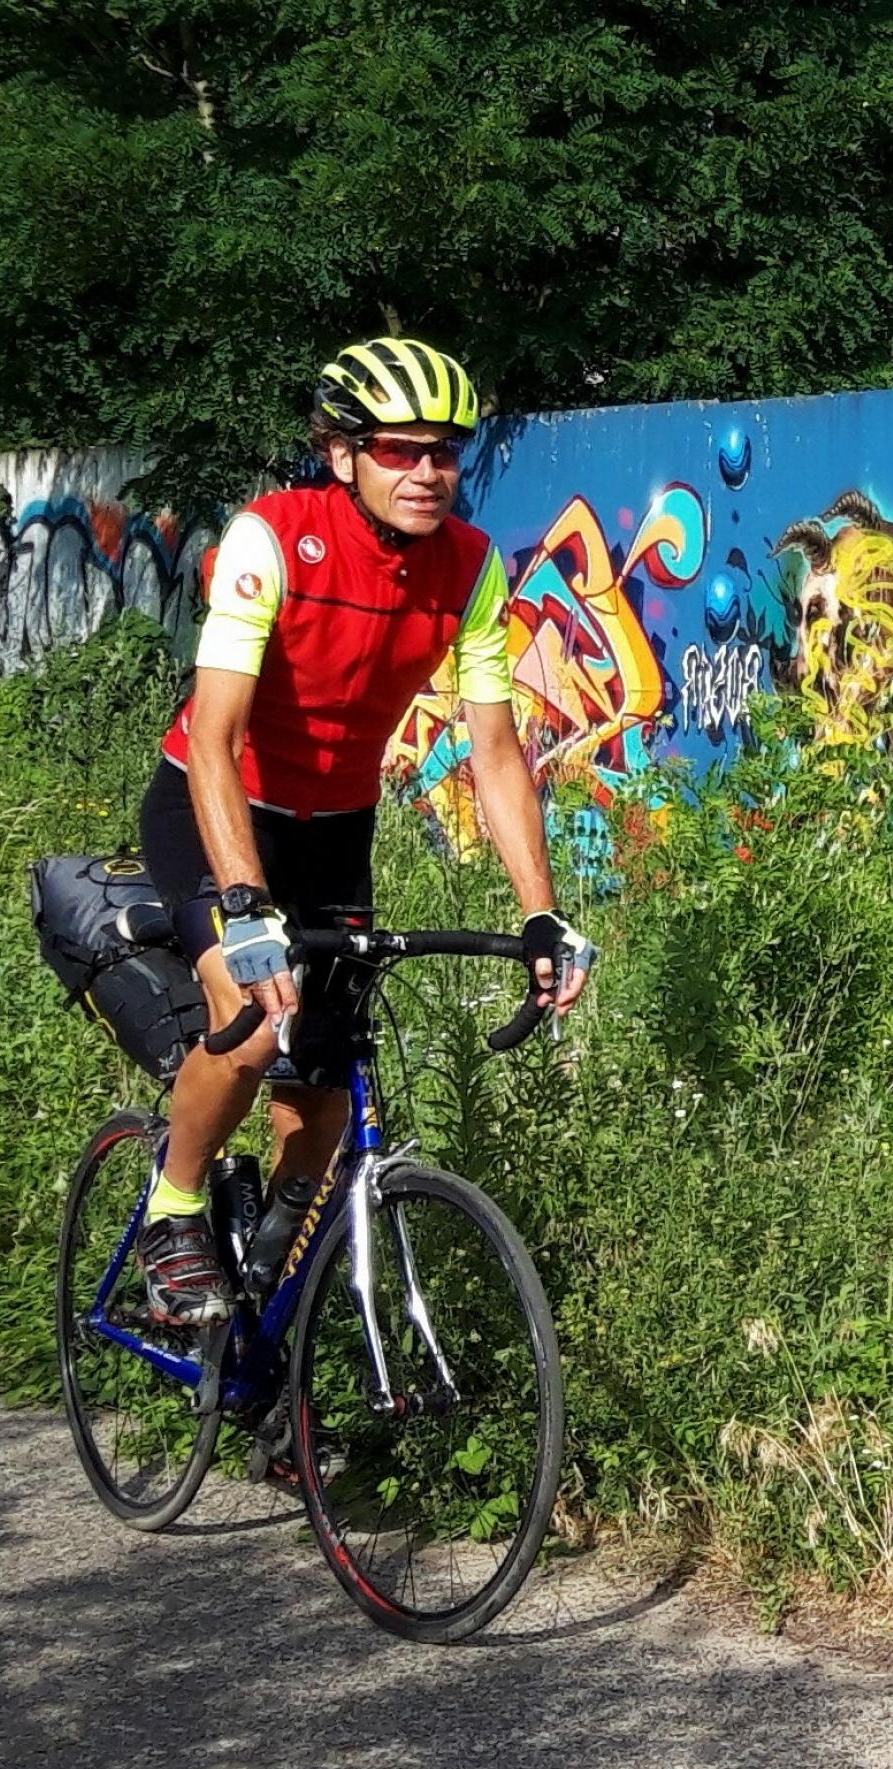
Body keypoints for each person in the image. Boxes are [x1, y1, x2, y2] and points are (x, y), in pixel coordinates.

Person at [132, 336, 591, 1323]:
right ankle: (171, 1211)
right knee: (250, 1023)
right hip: (214, 804)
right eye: (398, 449)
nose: (426, 472)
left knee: (327, 1102)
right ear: (341, 453)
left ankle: (264, 1326)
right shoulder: (270, 537)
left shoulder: (468, 568)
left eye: (443, 452)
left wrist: (542, 913)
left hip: (334, 828)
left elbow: (497, 752)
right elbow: (212, 739)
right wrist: (246, 907)